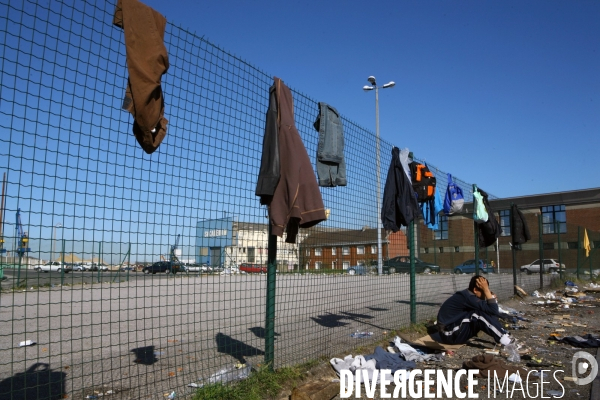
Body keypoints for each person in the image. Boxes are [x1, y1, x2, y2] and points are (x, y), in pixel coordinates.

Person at [436, 276, 515, 347]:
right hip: (448, 334)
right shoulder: (468, 297)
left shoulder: (470, 296)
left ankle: (504, 335)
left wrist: (489, 296)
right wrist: (487, 293)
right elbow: (494, 310)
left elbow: (491, 310)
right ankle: (506, 341)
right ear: (475, 290)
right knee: (477, 314)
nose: (486, 293)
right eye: (484, 290)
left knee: (484, 310)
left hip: (454, 329)